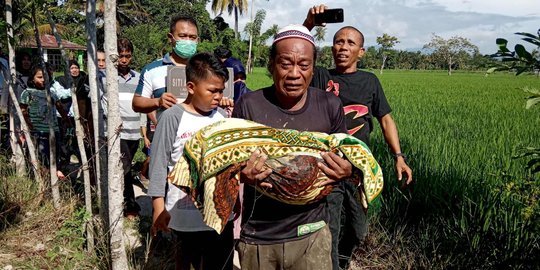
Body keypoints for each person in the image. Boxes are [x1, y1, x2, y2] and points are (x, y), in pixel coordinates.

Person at [232, 25, 352, 270]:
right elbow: (228, 166)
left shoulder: (329, 105)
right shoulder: (249, 105)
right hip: (259, 237)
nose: (295, 73)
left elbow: (349, 157)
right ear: (271, 65)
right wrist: (243, 175)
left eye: (304, 65)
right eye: (285, 63)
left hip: (313, 233)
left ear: (313, 67)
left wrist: (347, 170)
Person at [304, 5, 413, 269]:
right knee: (328, 227)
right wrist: (308, 24)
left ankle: (343, 261)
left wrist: (398, 156)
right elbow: (295, 51)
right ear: (332, 48)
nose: (343, 47)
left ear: (361, 52)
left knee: (357, 229)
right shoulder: (320, 76)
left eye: (350, 43)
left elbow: (385, 119)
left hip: (358, 168)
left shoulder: (370, 81)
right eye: (338, 41)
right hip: (326, 165)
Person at [148, 52, 234, 270]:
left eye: (221, 91)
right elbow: (158, 163)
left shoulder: (222, 117)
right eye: (212, 90)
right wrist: (158, 207)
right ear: (191, 87)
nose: (217, 96)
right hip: (183, 218)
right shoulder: (172, 117)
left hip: (219, 217)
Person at [99, 38, 142, 218]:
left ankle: (123, 203)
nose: (124, 60)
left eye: (127, 56)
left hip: (134, 132)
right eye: (121, 56)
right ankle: (129, 206)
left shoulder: (139, 77)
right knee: (124, 168)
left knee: (126, 167)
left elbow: (143, 106)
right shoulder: (105, 77)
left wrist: (144, 131)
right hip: (116, 132)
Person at [132, 14, 200, 119]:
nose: (188, 41)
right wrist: (157, 101)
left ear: (197, 40)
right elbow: (137, 103)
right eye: (182, 36)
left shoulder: (205, 69)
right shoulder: (151, 70)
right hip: (167, 133)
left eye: (192, 37)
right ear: (170, 38)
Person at [19, 64, 69, 178]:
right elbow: (23, 110)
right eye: (40, 77)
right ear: (32, 78)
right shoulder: (28, 93)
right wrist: (28, 125)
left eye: (46, 77)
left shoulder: (52, 93)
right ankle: (44, 179)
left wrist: (67, 120)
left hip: (54, 130)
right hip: (38, 132)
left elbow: (60, 107)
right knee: (41, 156)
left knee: (56, 155)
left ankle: (56, 174)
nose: (43, 80)